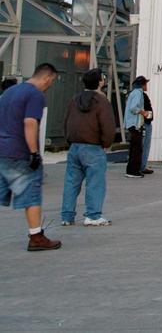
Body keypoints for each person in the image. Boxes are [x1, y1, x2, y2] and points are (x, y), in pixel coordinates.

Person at [0, 63, 61, 250]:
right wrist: (34, 153)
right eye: (52, 81)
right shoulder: (35, 95)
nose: (50, 85)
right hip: (20, 152)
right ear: (48, 77)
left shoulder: (9, 92)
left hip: (2, 150)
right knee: (31, 195)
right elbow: (29, 123)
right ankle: (36, 237)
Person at [60, 68, 116, 227]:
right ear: (100, 82)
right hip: (93, 147)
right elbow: (108, 125)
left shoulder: (74, 99)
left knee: (71, 183)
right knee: (95, 183)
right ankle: (92, 215)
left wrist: (70, 141)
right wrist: (106, 143)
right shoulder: (101, 101)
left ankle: (67, 216)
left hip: (75, 147)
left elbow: (67, 121)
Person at [124, 76, 150, 178]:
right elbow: (133, 108)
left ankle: (130, 170)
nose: (146, 86)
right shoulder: (138, 93)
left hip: (132, 124)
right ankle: (133, 171)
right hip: (134, 124)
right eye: (145, 83)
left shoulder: (133, 92)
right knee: (137, 148)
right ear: (142, 85)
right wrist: (143, 112)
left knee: (134, 148)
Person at [141, 86, 156, 174]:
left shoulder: (139, 95)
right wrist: (145, 114)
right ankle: (142, 166)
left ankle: (142, 165)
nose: (146, 86)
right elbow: (136, 108)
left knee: (143, 146)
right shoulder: (140, 95)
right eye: (145, 83)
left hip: (145, 122)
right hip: (145, 123)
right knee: (145, 145)